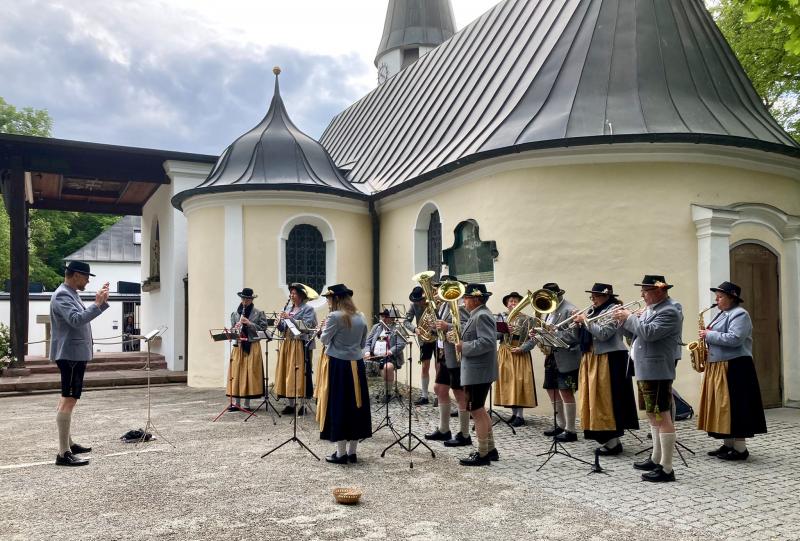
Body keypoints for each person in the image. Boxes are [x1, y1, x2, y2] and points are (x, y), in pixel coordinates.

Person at [614, 274, 683, 482]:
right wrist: (622, 321)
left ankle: (667, 468)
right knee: (653, 415)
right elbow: (635, 335)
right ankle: (656, 457)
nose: (642, 295)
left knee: (662, 415)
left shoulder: (670, 310)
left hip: (658, 369)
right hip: (644, 367)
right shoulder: (652, 309)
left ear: (660, 290)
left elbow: (649, 333)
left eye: (646, 291)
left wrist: (630, 317)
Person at [697, 281, 767, 460]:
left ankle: (740, 449)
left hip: (736, 366)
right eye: (717, 297)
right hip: (720, 364)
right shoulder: (721, 314)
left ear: (732, 298)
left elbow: (735, 338)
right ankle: (727, 444)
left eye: (720, 297)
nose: (717, 300)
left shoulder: (740, 314)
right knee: (723, 407)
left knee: (737, 406)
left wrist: (708, 334)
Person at [50, 261, 109, 466]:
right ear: (75, 275)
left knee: (67, 397)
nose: (87, 281)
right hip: (71, 354)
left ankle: (67, 442)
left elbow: (79, 318)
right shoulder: (63, 295)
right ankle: (63, 453)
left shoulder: (71, 293)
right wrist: (98, 303)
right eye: (86, 277)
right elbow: (76, 320)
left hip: (73, 353)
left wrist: (99, 303)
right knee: (70, 398)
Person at [572, 283, 639, 455]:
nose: (592, 299)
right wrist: (579, 324)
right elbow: (585, 336)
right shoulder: (595, 311)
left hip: (609, 359)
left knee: (606, 400)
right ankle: (608, 440)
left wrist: (585, 321)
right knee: (595, 400)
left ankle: (613, 442)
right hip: (593, 358)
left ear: (606, 296)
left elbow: (604, 334)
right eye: (591, 296)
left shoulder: (615, 310)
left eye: (596, 296)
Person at [319, 284, 371, 464]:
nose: (328, 301)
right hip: (357, 364)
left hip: (338, 366)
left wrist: (324, 328)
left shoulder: (334, 316)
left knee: (339, 405)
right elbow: (363, 343)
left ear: (337, 299)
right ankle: (352, 452)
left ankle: (340, 453)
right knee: (356, 405)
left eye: (329, 298)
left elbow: (324, 340)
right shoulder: (361, 316)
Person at [456, 283, 499, 466]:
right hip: (477, 370)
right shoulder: (477, 314)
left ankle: (482, 454)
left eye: (466, 297)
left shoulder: (481, 316)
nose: (463, 301)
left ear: (475, 299)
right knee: (479, 409)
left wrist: (463, 347)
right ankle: (490, 449)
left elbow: (488, 342)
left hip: (478, 371)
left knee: (476, 410)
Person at [426, 275, 471, 446]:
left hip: (456, 356)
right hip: (445, 354)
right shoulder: (443, 305)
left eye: (443, 287)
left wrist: (448, 326)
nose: (439, 291)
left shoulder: (460, 305)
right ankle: (444, 429)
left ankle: (464, 434)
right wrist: (433, 327)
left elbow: (467, 327)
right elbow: (441, 328)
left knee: (460, 394)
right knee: (439, 388)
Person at [537, 283, 581, 442]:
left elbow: (574, 337)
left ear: (558, 295)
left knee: (566, 391)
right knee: (551, 389)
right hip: (552, 356)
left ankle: (571, 429)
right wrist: (539, 334)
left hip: (566, 356)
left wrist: (553, 333)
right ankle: (560, 424)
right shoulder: (550, 310)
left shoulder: (569, 309)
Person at [494, 291, 538, 427]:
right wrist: (504, 330)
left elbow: (533, 339)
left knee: (519, 383)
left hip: (519, 353)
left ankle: (520, 415)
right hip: (505, 352)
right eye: (511, 301)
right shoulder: (501, 317)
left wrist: (523, 348)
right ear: (507, 304)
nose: (513, 303)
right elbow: (495, 336)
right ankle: (513, 414)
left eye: (516, 301)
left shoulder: (528, 319)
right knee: (508, 383)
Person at [275, 283, 318, 414]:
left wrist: (290, 319)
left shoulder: (308, 309)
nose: (291, 296)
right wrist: (279, 324)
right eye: (291, 293)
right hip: (288, 343)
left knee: (300, 373)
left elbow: (308, 325)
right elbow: (284, 328)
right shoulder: (288, 308)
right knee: (288, 373)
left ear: (300, 296)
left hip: (300, 344)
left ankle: (302, 405)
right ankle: (291, 404)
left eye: (294, 293)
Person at [226, 288, 268, 411]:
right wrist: (235, 328)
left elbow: (263, 329)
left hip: (252, 345)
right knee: (237, 373)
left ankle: (247, 404)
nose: (245, 301)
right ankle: (236, 403)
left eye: (247, 299)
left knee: (249, 373)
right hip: (238, 345)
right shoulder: (235, 314)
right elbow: (232, 330)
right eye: (243, 298)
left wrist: (249, 323)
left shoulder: (258, 313)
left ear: (251, 299)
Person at [364, 307, 407, 402]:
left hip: (391, 357)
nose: (383, 318)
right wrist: (367, 352)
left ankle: (388, 393)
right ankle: (363, 393)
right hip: (374, 356)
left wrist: (391, 351)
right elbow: (368, 342)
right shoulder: (376, 327)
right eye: (382, 316)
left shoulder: (397, 327)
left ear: (391, 318)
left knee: (388, 367)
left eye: (386, 316)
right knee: (360, 366)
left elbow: (401, 343)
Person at [406, 286, 437, 405]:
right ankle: (424, 396)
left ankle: (438, 396)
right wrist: (415, 329)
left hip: (437, 337)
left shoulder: (433, 302)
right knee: (425, 366)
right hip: (424, 338)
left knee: (438, 366)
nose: (419, 302)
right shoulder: (414, 305)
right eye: (417, 301)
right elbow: (406, 321)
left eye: (420, 300)